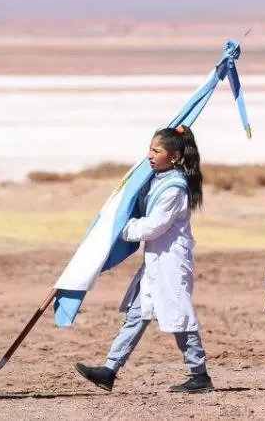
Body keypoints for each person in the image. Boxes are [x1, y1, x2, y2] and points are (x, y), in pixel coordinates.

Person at [75, 126, 214, 394]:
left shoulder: (175, 188)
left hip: (171, 262)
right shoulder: (157, 178)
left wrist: (120, 228)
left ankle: (200, 375)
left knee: (178, 318)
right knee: (137, 314)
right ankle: (110, 369)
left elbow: (153, 227)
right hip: (155, 260)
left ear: (173, 157)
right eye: (150, 149)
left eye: (156, 150)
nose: (149, 155)